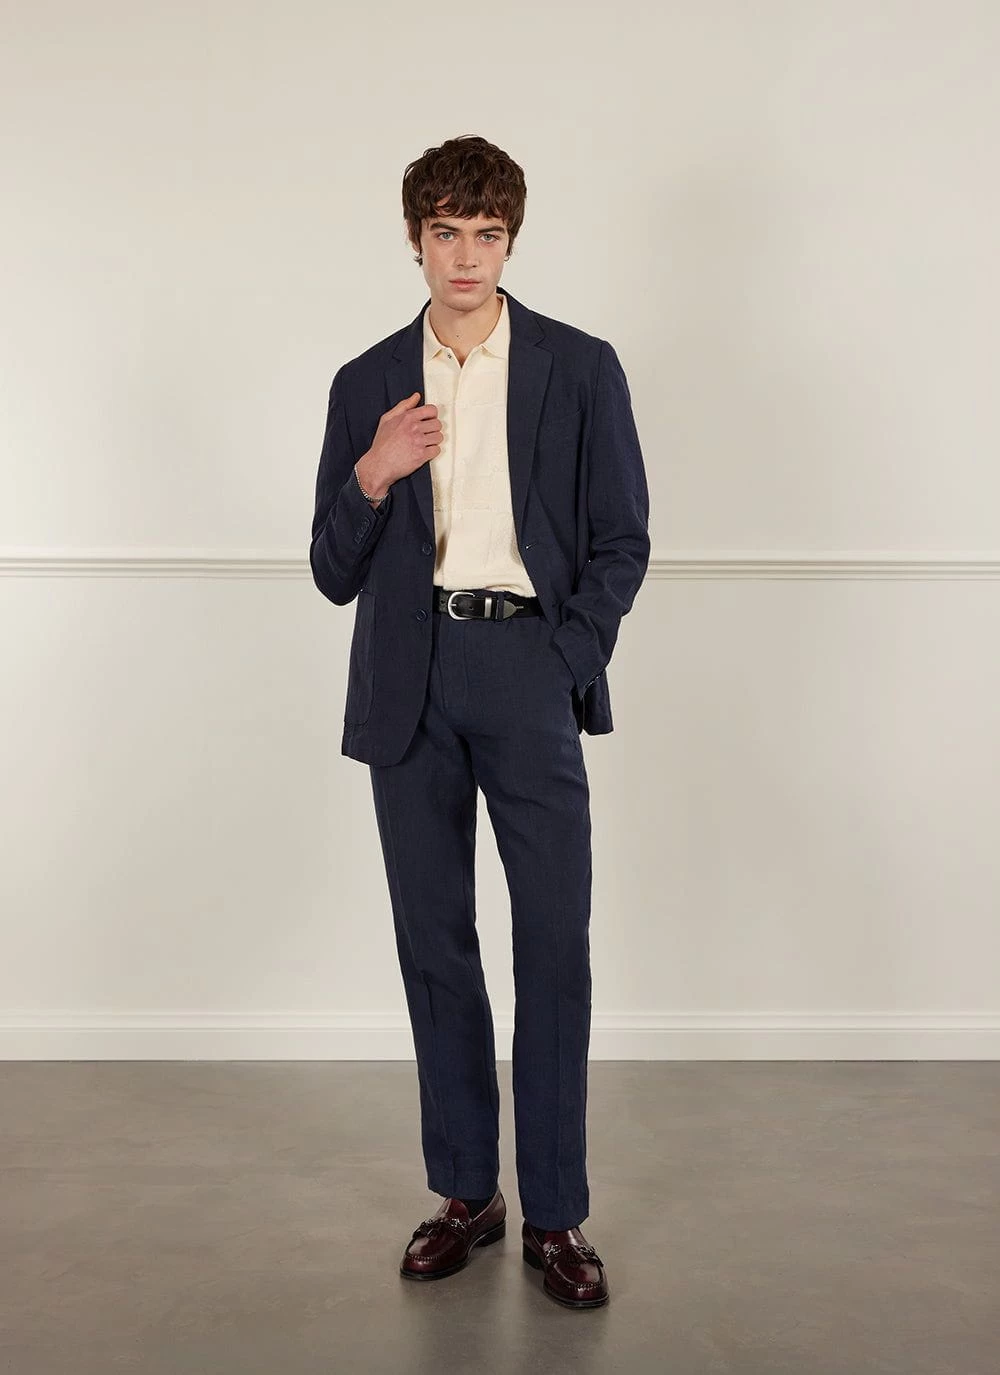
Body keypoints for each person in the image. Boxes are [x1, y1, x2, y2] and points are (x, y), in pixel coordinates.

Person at [308, 134, 650, 1310]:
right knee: (435, 942)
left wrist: (565, 658)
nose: (465, 255)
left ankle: (555, 1210)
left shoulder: (579, 367)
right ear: (414, 239)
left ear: (511, 241)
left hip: (526, 667)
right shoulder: (365, 381)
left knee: (553, 942)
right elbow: (331, 570)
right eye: (445, 232)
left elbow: (622, 538)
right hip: (408, 678)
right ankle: (466, 1191)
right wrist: (372, 474)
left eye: (486, 234)